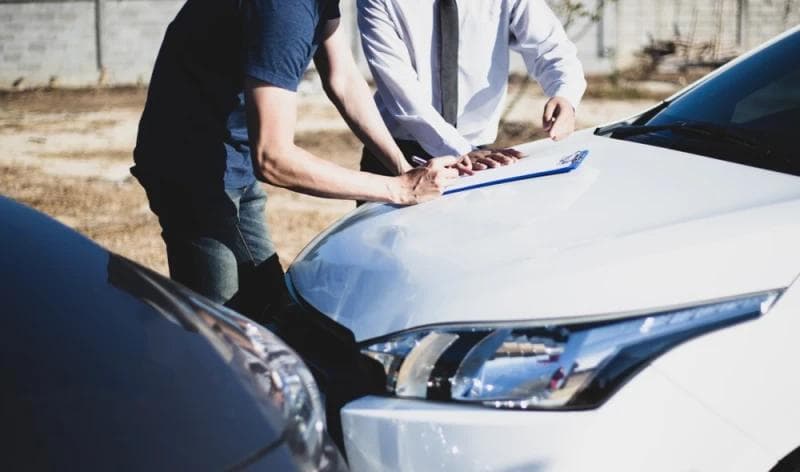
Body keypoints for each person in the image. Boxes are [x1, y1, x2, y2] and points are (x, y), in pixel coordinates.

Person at [131, 0, 459, 324]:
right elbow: (274, 159)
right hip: (192, 168)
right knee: (222, 328)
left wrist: (403, 169)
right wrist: (398, 189)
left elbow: (343, 79)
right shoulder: (286, 9)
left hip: (229, 157)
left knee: (268, 312)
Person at [357, 0, 587, 175]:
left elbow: (550, 48)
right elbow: (400, 89)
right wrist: (460, 151)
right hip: (399, 152)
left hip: (479, 154)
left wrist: (565, 94)